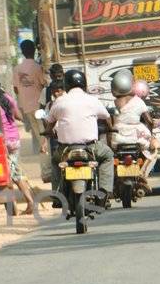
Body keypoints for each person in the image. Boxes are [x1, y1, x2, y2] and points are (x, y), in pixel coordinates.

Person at [44, 67, 114, 203]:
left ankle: (58, 196)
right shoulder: (92, 100)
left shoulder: (59, 101)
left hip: (65, 149)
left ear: (66, 84)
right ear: (84, 83)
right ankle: (104, 191)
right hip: (91, 147)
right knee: (108, 156)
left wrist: (48, 132)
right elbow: (106, 116)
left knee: (55, 161)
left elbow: (50, 123)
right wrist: (111, 128)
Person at [108, 69, 157, 189]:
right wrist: (150, 138)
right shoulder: (138, 101)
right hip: (136, 138)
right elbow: (149, 121)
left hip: (117, 139)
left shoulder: (111, 104)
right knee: (154, 150)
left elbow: (109, 125)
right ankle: (143, 174)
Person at [0, 88, 42, 215]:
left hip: (3, 142)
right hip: (15, 140)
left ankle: (21, 206)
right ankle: (27, 203)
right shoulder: (8, 98)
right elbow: (18, 116)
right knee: (14, 171)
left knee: (10, 175)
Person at [13, 40, 50, 158]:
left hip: (27, 107)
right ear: (34, 51)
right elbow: (44, 84)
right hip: (40, 106)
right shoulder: (37, 68)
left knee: (37, 132)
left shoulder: (17, 69)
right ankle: (48, 155)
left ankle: (45, 155)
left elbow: (15, 89)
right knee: (44, 129)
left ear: (22, 52)